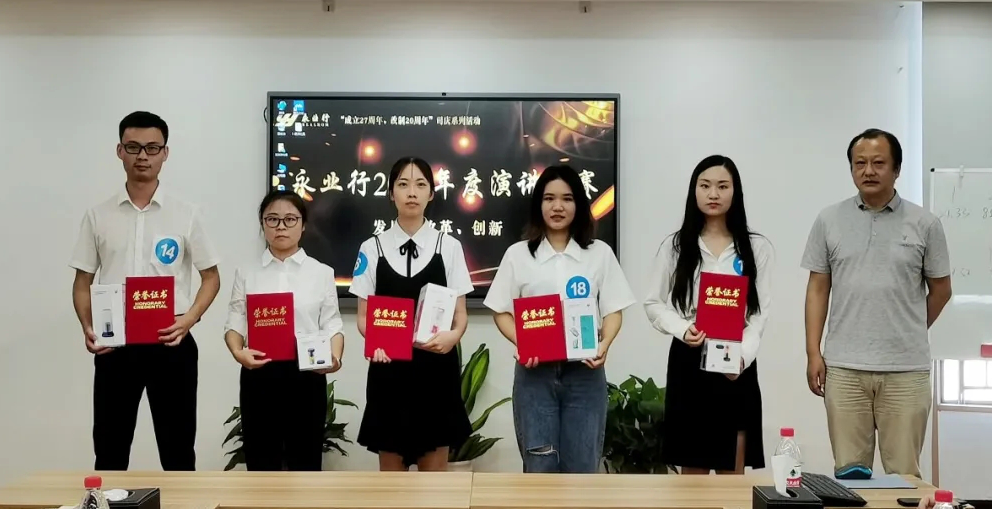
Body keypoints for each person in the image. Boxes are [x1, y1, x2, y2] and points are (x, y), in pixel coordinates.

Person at [69, 111, 221, 471]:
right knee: (109, 449)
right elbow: (82, 282)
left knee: (178, 450)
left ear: (165, 153)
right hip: (116, 345)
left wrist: (189, 319)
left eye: (152, 148)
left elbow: (211, 277)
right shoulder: (98, 215)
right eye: (134, 147)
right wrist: (88, 327)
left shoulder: (186, 213)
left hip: (171, 343)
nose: (143, 156)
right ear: (119, 151)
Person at [802, 128, 952, 478]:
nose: (868, 171)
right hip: (844, 369)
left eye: (878, 163)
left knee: (904, 476)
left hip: (906, 371)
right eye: (860, 163)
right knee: (849, 475)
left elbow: (941, 290)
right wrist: (813, 352)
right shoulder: (829, 220)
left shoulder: (925, 223)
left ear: (896, 169)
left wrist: (909, 326)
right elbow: (817, 289)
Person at [484, 164, 636, 473]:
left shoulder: (599, 253)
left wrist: (605, 343)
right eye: (549, 198)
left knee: (582, 467)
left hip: (585, 375)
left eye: (567, 199)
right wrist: (523, 341)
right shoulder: (518, 254)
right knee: (539, 466)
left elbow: (613, 310)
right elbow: (500, 310)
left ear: (578, 204)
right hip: (534, 376)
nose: (557, 207)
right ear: (538, 204)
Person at [644, 155, 773, 475]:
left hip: (735, 362)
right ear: (694, 191)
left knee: (733, 472)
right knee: (694, 475)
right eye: (705, 186)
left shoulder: (756, 248)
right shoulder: (675, 246)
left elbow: (759, 315)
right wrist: (682, 329)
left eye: (722, 186)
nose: (713, 194)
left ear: (735, 192)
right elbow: (653, 303)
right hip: (690, 359)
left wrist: (742, 358)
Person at [349, 156, 475, 471]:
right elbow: (363, 317)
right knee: (391, 484)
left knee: (434, 482)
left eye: (420, 185)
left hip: (436, 371)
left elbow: (460, 315)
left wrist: (453, 336)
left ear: (432, 193)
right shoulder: (371, 248)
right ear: (391, 193)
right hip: (388, 371)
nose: (412, 193)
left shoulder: (449, 246)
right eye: (403, 184)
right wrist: (375, 341)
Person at [223, 190, 344, 471]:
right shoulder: (247, 272)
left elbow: (333, 323)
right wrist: (238, 352)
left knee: (306, 461)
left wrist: (335, 358)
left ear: (303, 225)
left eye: (290, 219)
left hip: (307, 375)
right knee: (260, 461)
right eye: (272, 219)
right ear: (262, 224)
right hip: (259, 374)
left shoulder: (321, 272)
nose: (281, 226)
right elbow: (234, 320)